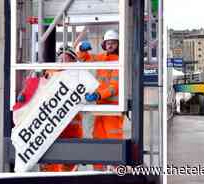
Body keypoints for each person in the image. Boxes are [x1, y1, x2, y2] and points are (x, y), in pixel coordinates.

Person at [14, 46, 83, 172]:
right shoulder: (50, 71)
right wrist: (25, 94)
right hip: (51, 124)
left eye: (67, 58)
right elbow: (38, 85)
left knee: (69, 167)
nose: (63, 60)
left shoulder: (78, 73)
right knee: (49, 165)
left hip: (70, 127)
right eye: (61, 57)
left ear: (73, 60)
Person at [77, 30, 124, 171]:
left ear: (118, 44)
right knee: (98, 138)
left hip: (113, 108)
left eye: (113, 43)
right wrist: (81, 48)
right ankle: (97, 171)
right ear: (104, 44)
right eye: (108, 43)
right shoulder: (102, 57)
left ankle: (118, 171)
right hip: (100, 106)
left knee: (113, 139)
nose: (110, 45)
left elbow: (114, 88)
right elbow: (84, 58)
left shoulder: (120, 61)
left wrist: (98, 95)